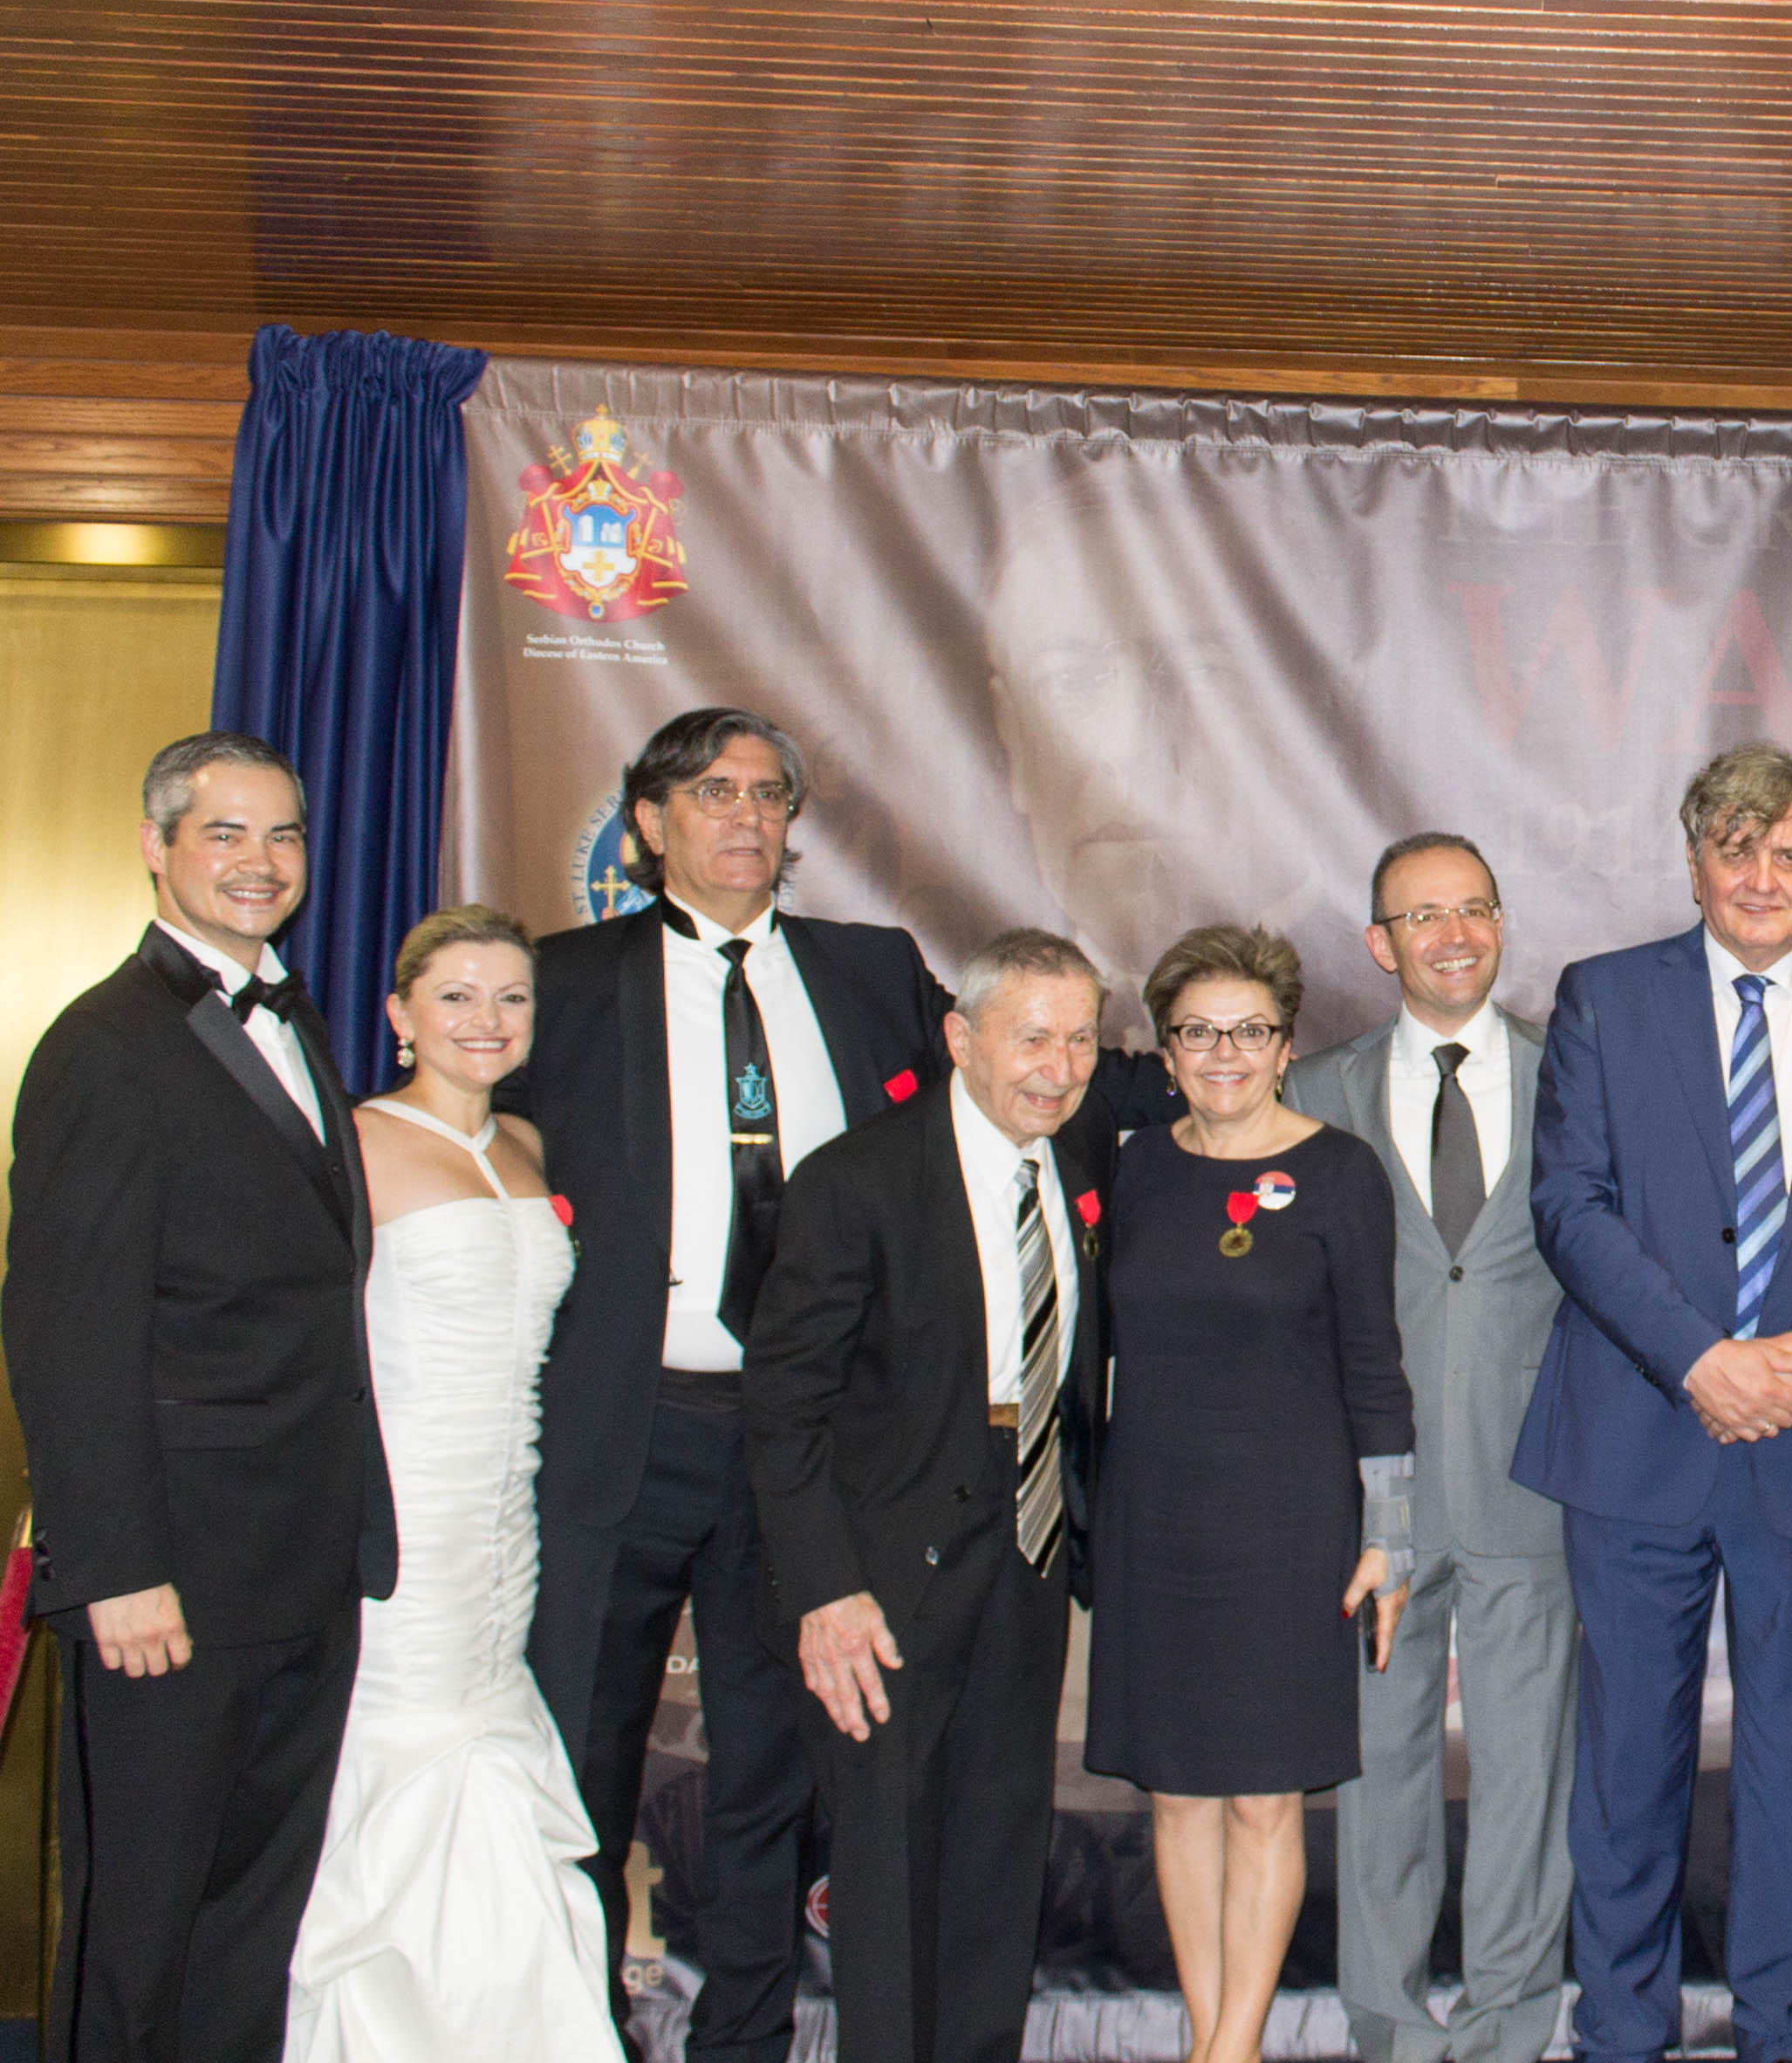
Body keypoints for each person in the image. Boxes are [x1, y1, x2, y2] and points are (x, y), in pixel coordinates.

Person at [509, 706, 1172, 2058]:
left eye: (767, 793)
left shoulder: (871, 968)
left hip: (822, 1456)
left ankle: (743, 2042)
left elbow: (1046, 1073)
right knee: (581, 1761)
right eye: (712, 792)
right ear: (648, 823)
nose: (745, 815)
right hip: (631, 1428)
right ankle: (572, 2029)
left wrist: (1245, 1075)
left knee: (770, 1774)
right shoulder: (560, 982)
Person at [1515, 743, 1792, 2063]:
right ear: (1693, 861)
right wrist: (1700, 1359)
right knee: (1626, 1777)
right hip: (1637, 1439)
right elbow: (1571, 1206)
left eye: (1788, 854)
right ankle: (1619, 2035)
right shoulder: (1604, 998)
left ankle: (1783, 2031)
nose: (1760, 877)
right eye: (1735, 849)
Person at [2, 731, 397, 2060]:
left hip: (302, 1565)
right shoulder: (104, 1046)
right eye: (224, 832)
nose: (260, 861)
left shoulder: (297, 1022)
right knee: (142, 1929)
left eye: (283, 834)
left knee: (250, 1927)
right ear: (155, 846)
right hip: (169, 1583)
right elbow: (69, 1331)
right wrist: (115, 1568)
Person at [743, 930, 1115, 2063]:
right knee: (889, 1863)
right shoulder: (855, 1180)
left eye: (1081, 1040)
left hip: (1029, 1544)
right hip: (884, 1573)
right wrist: (827, 1590)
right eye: (1032, 1037)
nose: (1058, 1066)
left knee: (998, 1850)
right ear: (960, 1038)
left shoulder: (1077, 1157)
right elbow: (783, 1410)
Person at [286, 907, 619, 2061]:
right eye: (457, 996)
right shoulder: (353, 1144)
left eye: (511, 997)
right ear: (400, 1014)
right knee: (408, 1761)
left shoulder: (526, 1144)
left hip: (506, 1516)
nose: (487, 1019)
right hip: (402, 1523)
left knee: (491, 1749)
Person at [1083, 924, 1415, 2063]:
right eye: (1197, 1032)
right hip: (1151, 1523)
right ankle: (1211, 2038)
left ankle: (1232, 2047)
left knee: (1265, 1797)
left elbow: (1375, 1366)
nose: (1223, 1053)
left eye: (1249, 1031)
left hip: (1289, 1528)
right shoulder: (1135, 1166)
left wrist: (1391, 1534)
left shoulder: (1341, 1172)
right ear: (1165, 1049)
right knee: (1177, 1794)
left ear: (1285, 1046)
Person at [1284, 837, 1577, 2063]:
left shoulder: (1575, 1076)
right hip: (1375, 1500)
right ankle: (1392, 2033)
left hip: (1533, 1481)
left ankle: (1509, 2030)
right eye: (1423, 916)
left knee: (1529, 1782)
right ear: (1379, 942)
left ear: (1501, 923)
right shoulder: (1313, 1091)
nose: (1454, 936)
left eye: (1474, 910)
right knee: (1378, 1774)